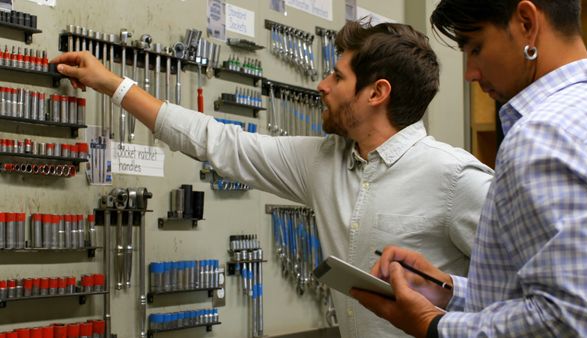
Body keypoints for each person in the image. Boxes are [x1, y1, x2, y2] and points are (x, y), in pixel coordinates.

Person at [52, 20, 493, 338]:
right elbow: (219, 143)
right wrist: (113, 84)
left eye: (338, 76)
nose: (322, 85)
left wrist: (451, 298)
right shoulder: (322, 162)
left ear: (376, 93)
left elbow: (532, 300)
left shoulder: (457, 180)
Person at [351, 1, 587, 337]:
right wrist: (444, 290)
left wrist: (434, 325)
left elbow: (570, 320)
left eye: (476, 47)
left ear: (527, 23)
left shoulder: (544, 135)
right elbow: (555, 295)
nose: (470, 72)